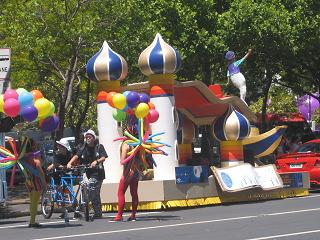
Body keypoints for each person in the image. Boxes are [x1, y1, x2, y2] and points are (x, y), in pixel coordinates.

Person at [67, 129, 107, 219]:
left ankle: (83, 207)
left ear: (93, 138)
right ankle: (97, 213)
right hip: (87, 172)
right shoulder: (83, 147)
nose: (88, 138)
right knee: (93, 192)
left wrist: (96, 161)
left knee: (92, 189)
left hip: (98, 172)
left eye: (90, 136)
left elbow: (104, 157)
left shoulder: (99, 146)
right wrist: (70, 163)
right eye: (86, 137)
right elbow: (76, 155)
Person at [21, 138, 47, 228]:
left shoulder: (24, 157)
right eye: (35, 144)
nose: (36, 145)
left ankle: (31, 221)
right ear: (32, 146)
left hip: (28, 181)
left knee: (32, 201)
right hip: (36, 181)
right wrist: (44, 184)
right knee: (35, 202)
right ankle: (32, 222)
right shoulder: (35, 158)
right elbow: (40, 171)